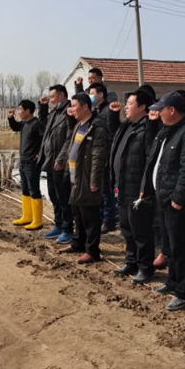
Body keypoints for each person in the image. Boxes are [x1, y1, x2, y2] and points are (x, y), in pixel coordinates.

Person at [142, 92, 185, 310]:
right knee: (170, 246)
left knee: (181, 247)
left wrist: (179, 197)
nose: (158, 113)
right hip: (163, 196)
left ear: (172, 110)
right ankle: (172, 282)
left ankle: (183, 292)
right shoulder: (168, 131)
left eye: (161, 109)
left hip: (176, 202)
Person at [107, 88, 157, 284]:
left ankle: (145, 267)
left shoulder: (148, 128)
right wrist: (113, 115)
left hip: (137, 188)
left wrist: (145, 187)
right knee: (126, 228)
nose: (126, 107)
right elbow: (113, 137)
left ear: (142, 107)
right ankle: (131, 262)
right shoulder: (128, 125)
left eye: (130, 104)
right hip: (122, 185)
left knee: (141, 231)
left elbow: (150, 159)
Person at [56, 92, 109, 264]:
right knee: (77, 214)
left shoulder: (97, 127)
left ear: (85, 106)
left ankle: (92, 251)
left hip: (87, 178)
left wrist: (94, 181)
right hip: (74, 177)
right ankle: (77, 243)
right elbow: (71, 146)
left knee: (90, 217)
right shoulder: (79, 124)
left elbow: (98, 157)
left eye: (74, 106)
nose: (72, 109)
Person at [38, 85, 76, 244]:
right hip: (50, 161)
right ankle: (58, 224)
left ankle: (68, 228)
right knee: (54, 196)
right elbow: (43, 128)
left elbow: (70, 138)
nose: (51, 100)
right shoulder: (54, 112)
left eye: (52, 97)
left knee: (63, 198)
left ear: (61, 95)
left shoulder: (70, 113)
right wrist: (42, 107)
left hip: (61, 163)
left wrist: (60, 159)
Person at [8, 99, 48, 231]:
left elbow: (45, 140)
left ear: (28, 111)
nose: (18, 112)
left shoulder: (36, 124)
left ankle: (37, 220)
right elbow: (15, 127)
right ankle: (27, 216)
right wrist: (11, 118)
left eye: (20, 109)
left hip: (32, 163)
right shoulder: (24, 123)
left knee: (34, 190)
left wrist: (39, 154)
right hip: (23, 161)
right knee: (25, 189)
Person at [88, 82, 119, 234]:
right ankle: (101, 218)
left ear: (101, 94)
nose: (90, 97)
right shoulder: (96, 110)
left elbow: (110, 135)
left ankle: (109, 220)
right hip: (98, 154)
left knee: (106, 191)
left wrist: (107, 156)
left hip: (105, 155)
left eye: (92, 94)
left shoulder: (108, 110)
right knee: (100, 190)